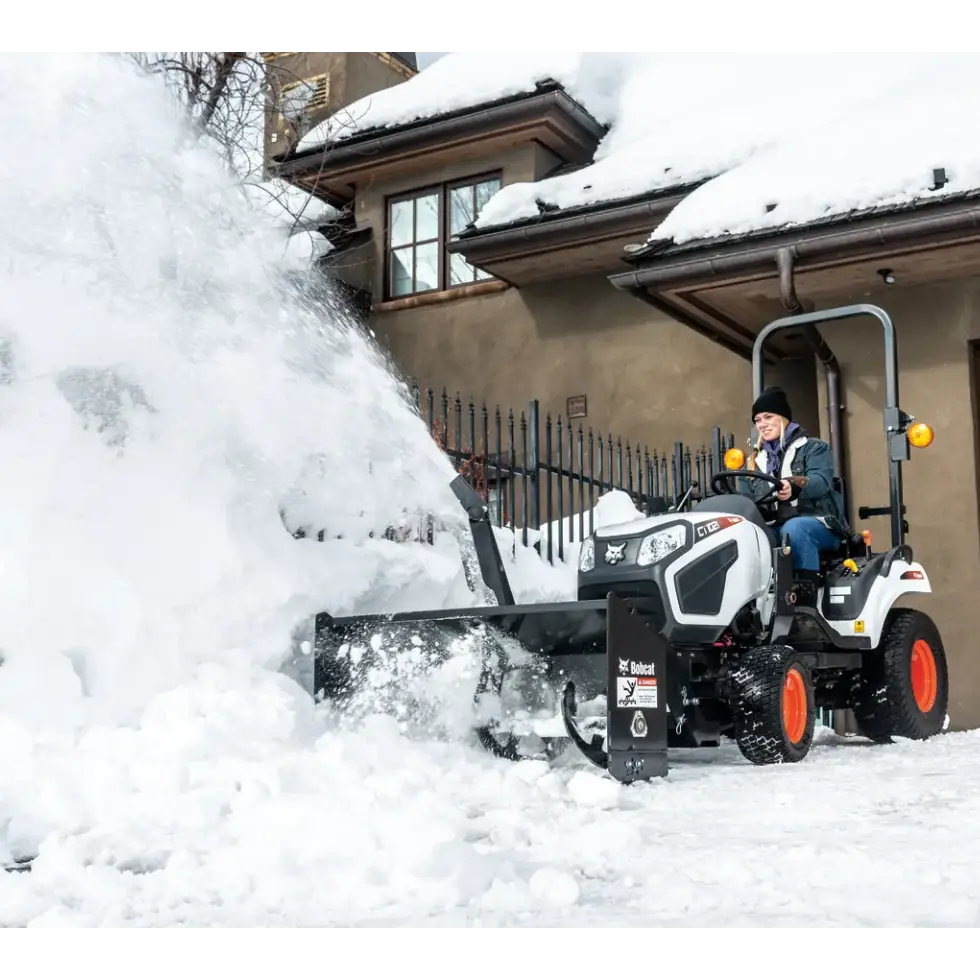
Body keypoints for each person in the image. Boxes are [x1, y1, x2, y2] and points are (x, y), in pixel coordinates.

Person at [744, 386, 849, 598]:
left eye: (768, 416)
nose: (762, 424)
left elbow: (821, 482)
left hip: (817, 522)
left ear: (783, 418)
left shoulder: (814, 448)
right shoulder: (754, 462)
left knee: (795, 528)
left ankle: (805, 602)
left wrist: (795, 486)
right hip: (776, 525)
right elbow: (745, 499)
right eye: (757, 420)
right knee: (747, 535)